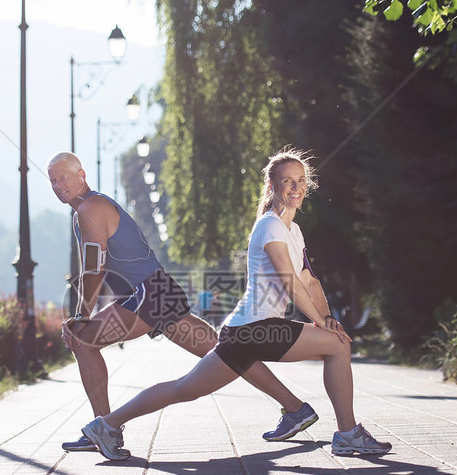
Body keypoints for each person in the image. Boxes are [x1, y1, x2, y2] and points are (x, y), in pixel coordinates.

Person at [80, 147, 392, 461]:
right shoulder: (270, 226)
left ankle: (106, 424)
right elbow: (289, 281)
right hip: (255, 328)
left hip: (244, 331)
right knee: (337, 346)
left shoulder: (292, 230)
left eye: (301, 181)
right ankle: (348, 434)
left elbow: (310, 281)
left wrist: (325, 317)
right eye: (288, 181)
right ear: (273, 186)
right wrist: (322, 324)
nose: (296, 187)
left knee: (185, 388)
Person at [46, 151, 319, 453]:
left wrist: (81, 315)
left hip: (151, 293)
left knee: (82, 340)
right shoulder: (86, 209)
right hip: (158, 292)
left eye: (64, 177)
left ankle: (104, 427)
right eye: (53, 180)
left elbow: (93, 268)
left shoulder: (91, 207)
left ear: (82, 175)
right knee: (227, 351)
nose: (58, 185)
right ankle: (295, 408)